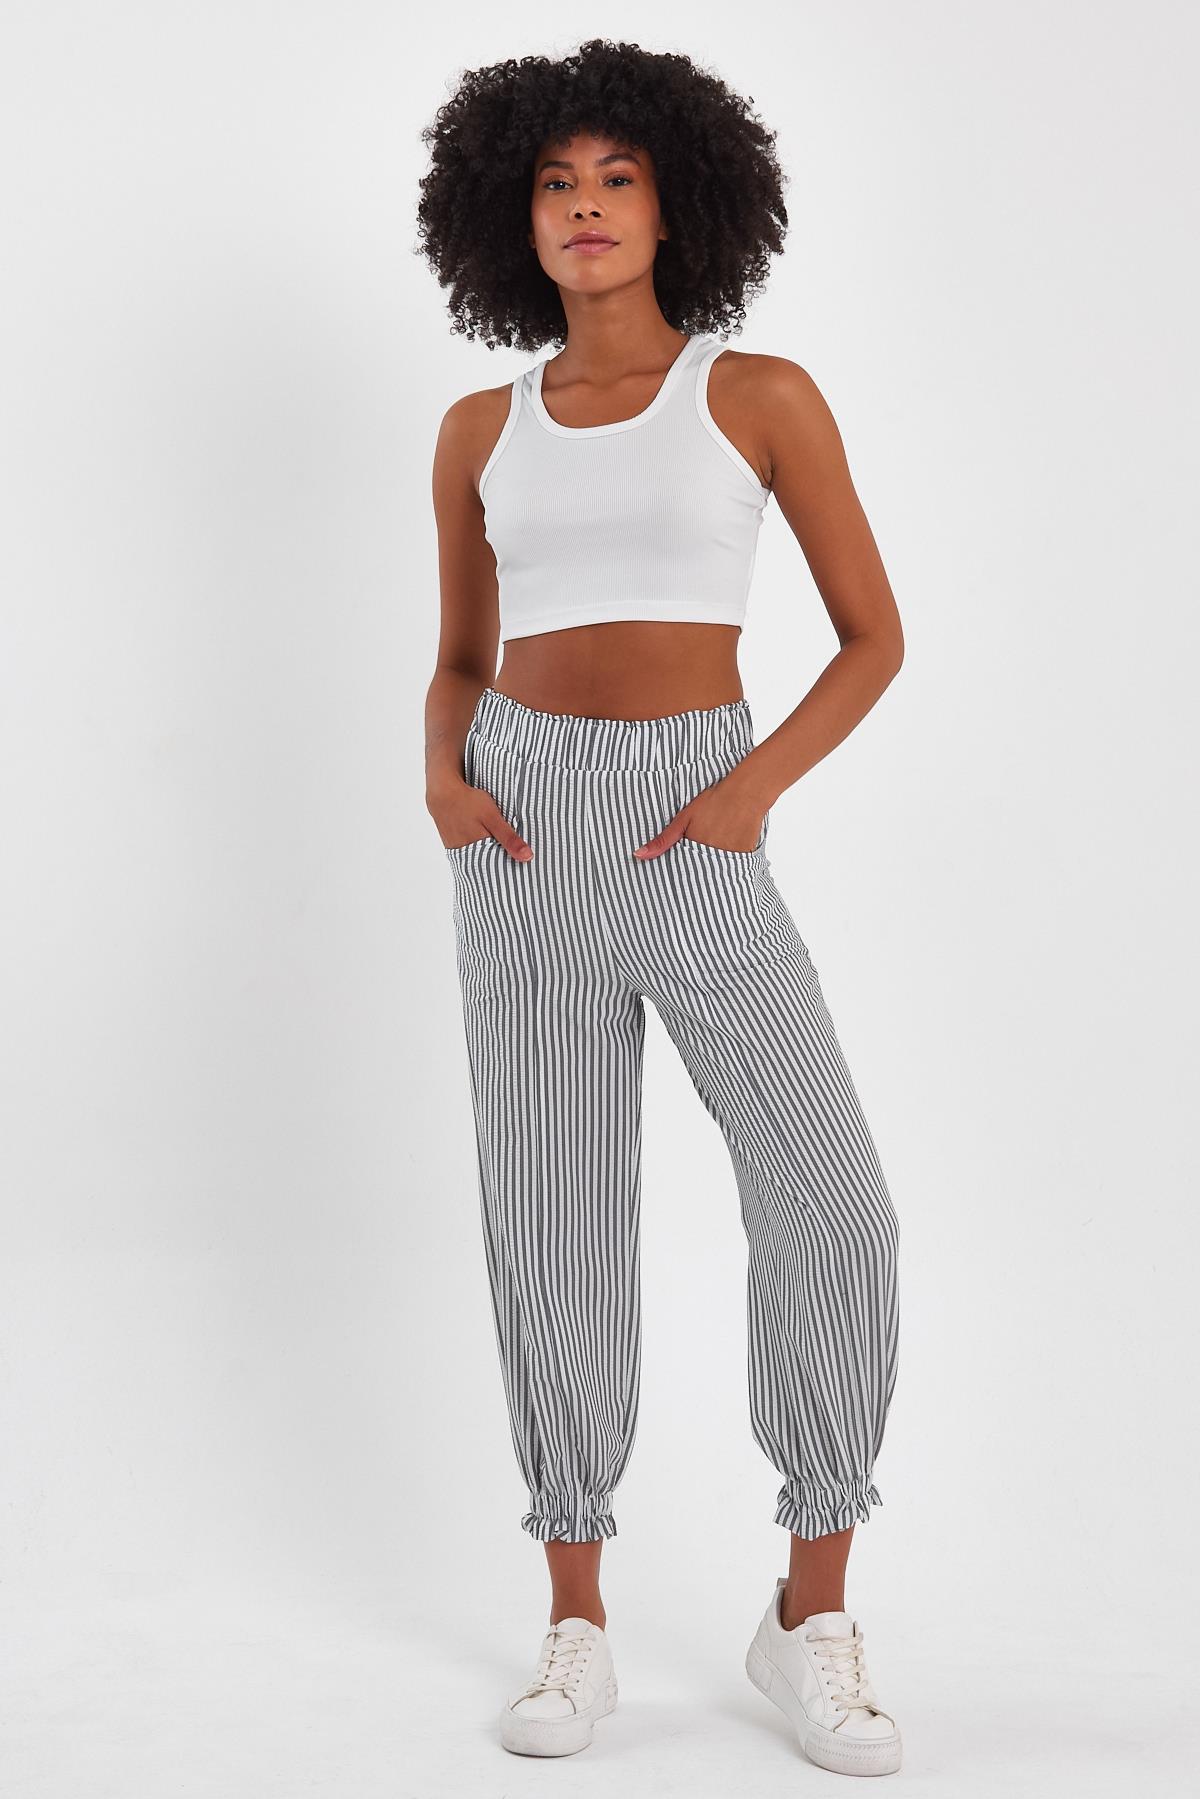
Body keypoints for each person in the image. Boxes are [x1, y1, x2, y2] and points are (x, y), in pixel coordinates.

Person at [417, 38, 905, 1778]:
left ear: (680, 202)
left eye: (617, 179)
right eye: (556, 183)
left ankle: (810, 1615)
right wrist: (445, 777)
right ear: (510, 215)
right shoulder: (480, 428)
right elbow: (460, 653)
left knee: (834, 1208)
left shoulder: (754, 394)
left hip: (701, 822)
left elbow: (873, 638)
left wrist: (747, 793)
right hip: (522, 835)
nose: (586, 208)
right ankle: (576, 1624)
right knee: (554, 1228)